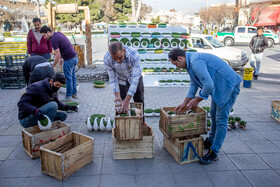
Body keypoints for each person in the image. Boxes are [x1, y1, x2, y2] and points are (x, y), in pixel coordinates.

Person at [168, 48, 241, 165]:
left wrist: (196, 100)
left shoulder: (196, 61)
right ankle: (211, 140)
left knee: (221, 120)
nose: (177, 66)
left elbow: (208, 85)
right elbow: (194, 84)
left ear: (180, 58)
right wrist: (185, 103)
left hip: (228, 87)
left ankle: (214, 152)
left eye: (175, 63)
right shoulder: (190, 63)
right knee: (213, 114)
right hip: (218, 88)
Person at [104, 42, 144, 114]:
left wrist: (127, 100)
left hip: (135, 78)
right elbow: (112, 78)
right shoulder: (107, 58)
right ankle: (122, 122)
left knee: (139, 101)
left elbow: (135, 79)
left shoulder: (134, 55)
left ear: (124, 51)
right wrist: (116, 94)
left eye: (119, 58)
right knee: (121, 102)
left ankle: (141, 122)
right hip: (121, 80)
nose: (118, 61)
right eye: (115, 59)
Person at [40, 26, 78, 102]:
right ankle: (74, 93)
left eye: (44, 35)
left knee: (68, 78)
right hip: (74, 57)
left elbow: (57, 54)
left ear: (48, 32)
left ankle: (68, 96)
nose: (44, 38)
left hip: (69, 59)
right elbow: (63, 47)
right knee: (73, 76)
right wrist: (61, 58)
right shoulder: (58, 34)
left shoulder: (53, 39)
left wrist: (53, 65)